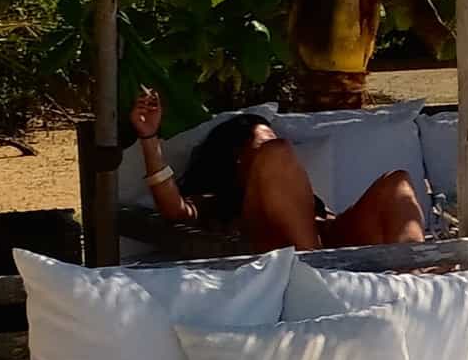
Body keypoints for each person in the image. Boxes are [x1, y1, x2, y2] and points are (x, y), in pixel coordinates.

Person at [129, 89, 426, 253]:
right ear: (238, 159)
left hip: (334, 243)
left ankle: (418, 270)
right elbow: (174, 208)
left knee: (396, 183)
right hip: (292, 256)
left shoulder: (298, 196)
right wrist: (148, 139)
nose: (279, 149)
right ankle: (316, 268)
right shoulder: (223, 203)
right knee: (277, 153)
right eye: (262, 145)